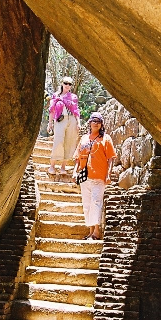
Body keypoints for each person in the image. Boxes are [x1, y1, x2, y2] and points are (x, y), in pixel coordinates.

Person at [72, 112, 115, 240]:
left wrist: (108, 174)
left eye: (98, 121)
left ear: (101, 124)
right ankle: (90, 231)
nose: (96, 123)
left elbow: (111, 158)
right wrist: (75, 171)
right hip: (85, 176)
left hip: (99, 176)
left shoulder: (106, 138)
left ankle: (96, 232)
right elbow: (77, 157)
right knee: (87, 204)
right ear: (89, 122)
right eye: (93, 120)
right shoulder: (84, 139)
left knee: (96, 202)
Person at [47, 76, 81, 175]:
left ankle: (63, 167)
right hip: (60, 120)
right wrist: (50, 123)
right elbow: (51, 110)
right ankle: (52, 166)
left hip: (72, 120)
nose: (67, 85)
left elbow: (76, 111)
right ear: (62, 83)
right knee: (58, 141)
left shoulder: (73, 97)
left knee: (69, 142)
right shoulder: (56, 96)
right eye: (66, 83)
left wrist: (78, 123)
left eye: (70, 84)